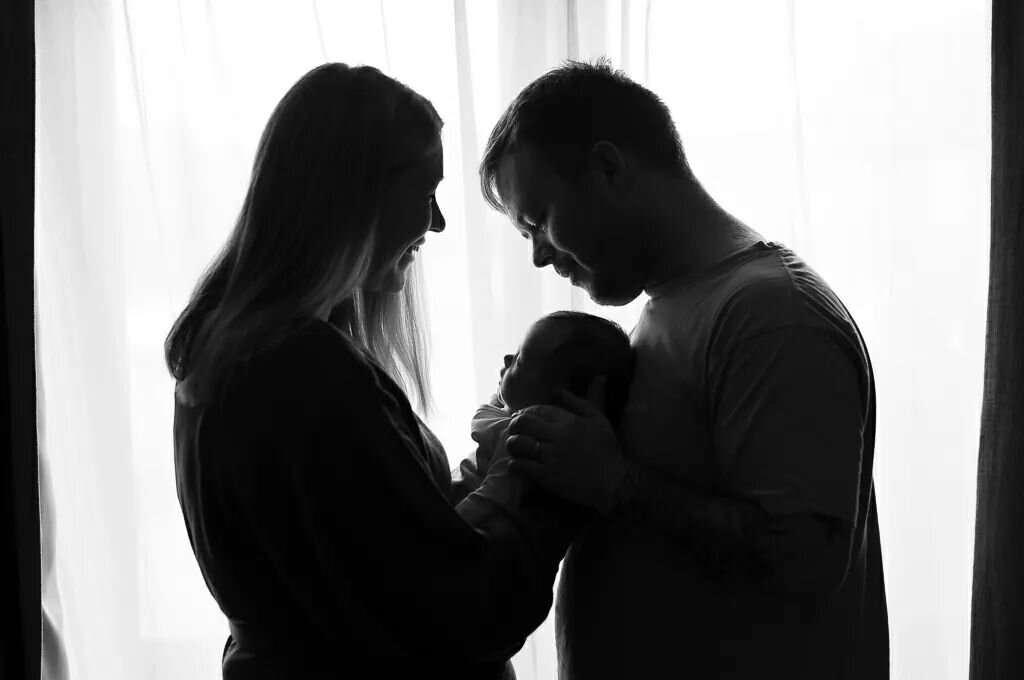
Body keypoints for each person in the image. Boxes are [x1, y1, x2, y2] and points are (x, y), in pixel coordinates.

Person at [476, 57, 890, 679]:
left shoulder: (772, 313)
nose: (537, 257)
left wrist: (611, 482)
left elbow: (803, 560)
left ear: (609, 169)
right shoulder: (668, 308)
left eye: (539, 221)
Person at [165, 63, 569, 680]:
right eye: (426, 192)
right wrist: (555, 493)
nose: (435, 224)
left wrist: (482, 484)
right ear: (356, 194)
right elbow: (459, 610)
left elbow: (379, 558)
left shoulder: (223, 352)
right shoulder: (312, 375)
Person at [454, 310, 634, 529]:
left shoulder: (522, 436)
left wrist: (446, 527)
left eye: (519, 361)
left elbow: (493, 496)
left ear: (555, 403)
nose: (507, 358)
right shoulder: (510, 409)